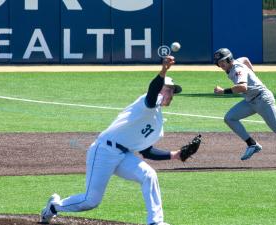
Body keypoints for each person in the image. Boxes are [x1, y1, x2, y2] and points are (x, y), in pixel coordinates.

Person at [40, 56, 183, 225]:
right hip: (104, 151)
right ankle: (53, 207)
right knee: (90, 200)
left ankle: (155, 222)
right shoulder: (148, 102)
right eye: (169, 89)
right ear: (161, 89)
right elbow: (152, 92)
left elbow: (146, 151)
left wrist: (176, 155)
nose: (171, 94)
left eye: (173, 91)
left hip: (123, 155)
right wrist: (163, 71)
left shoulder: (157, 119)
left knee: (149, 175)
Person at [212, 48, 276, 167]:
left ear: (229, 59)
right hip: (250, 101)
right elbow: (245, 59)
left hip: (263, 99)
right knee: (229, 118)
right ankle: (252, 144)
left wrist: (223, 91)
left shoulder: (238, 69)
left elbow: (242, 88)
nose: (220, 65)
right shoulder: (236, 62)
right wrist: (252, 73)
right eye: (218, 63)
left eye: (222, 61)